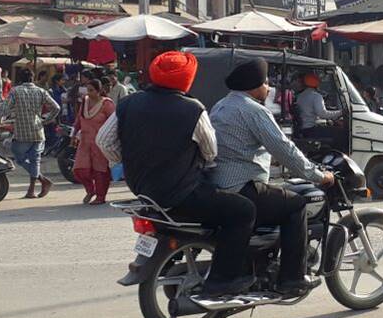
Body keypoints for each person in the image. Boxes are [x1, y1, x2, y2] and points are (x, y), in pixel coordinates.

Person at [97, 51, 258, 300]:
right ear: (188, 79)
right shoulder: (193, 109)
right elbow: (210, 151)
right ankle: (226, 278)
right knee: (243, 210)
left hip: (144, 191)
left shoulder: (130, 102)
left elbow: (104, 141)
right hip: (182, 194)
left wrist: (128, 158)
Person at [209, 57, 335, 297]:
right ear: (256, 85)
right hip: (241, 187)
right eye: (266, 82)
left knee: (277, 196)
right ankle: (292, 279)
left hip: (218, 184)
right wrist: (318, 175)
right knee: (296, 205)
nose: (269, 88)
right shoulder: (254, 110)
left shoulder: (221, 106)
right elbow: (284, 148)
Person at [0, 68, 60, 198]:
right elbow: (56, 108)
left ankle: (40, 183)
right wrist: (46, 120)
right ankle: (36, 186)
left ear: (19, 79)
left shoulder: (15, 91)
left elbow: (4, 108)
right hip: (37, 130)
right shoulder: (41, 91)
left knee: (19, 158)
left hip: (22, 132)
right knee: (35, 160)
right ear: (33, 78)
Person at [73, 78, 116, 204]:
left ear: (99, 91)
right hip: (85, 142)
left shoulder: (107, 104)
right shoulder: (84, 103)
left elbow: (114, 122)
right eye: (87, 90)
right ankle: (90, 190)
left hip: (101, 143)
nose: (88, 93)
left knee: (100, 171)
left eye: (91, 90)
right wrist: (73, 134)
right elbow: (78, 121)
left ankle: (100, 197)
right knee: (79, 169)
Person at [296, 72, 342, 144]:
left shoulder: (300, 96)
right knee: (340, 133)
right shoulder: (316, 96)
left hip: (303, 129)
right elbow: (322, 114)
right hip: (311, 130)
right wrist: (341, 112)